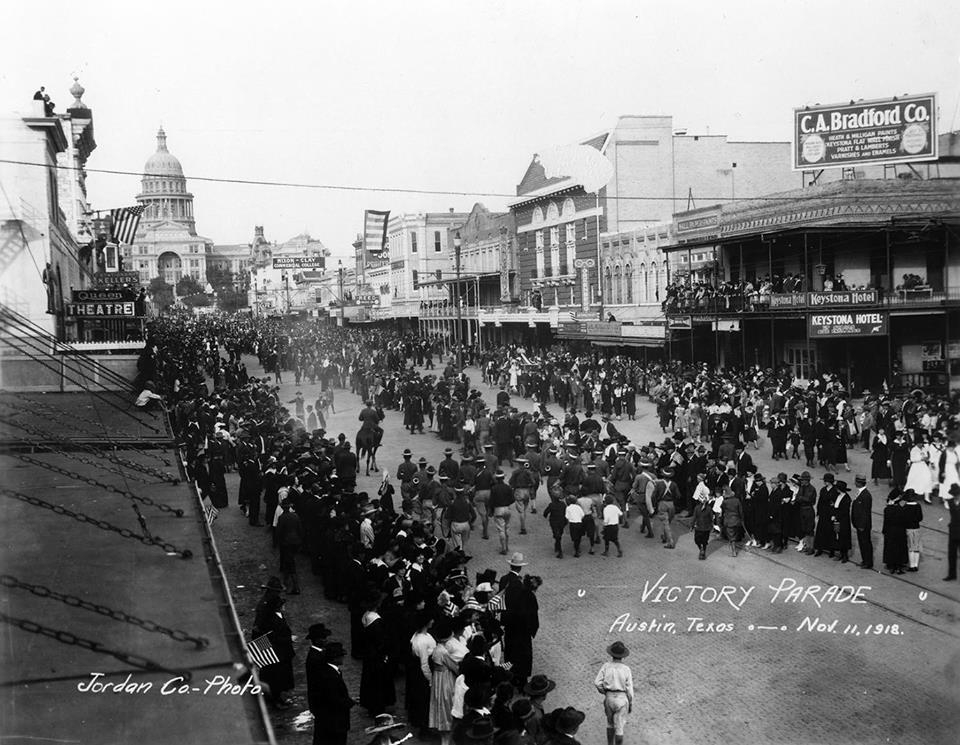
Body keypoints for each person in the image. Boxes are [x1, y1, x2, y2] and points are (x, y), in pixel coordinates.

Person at [310, 640, 355, 745]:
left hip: (327, 720)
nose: (343, 658)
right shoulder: (331, 676)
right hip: (334, 722)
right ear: (335, 658)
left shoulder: (327, 671)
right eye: (341, 656)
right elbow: (334, 699)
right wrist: (350, 702)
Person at [595, 641, 633, 745]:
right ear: (623, 656)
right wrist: (630, 702)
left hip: (609, 698)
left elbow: (597, 683)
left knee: (610, 723)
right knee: (619, 727)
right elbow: (629, 689)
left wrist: (605, 692)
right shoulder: (626, 669)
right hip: (622, 698)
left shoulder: (606, 666)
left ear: (611, 654)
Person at [882, 490, 908, 574]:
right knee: (900, 548)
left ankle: (891, 565)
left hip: (890, 531)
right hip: (900, 531)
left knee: (890, 548)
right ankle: (899, 565)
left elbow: (886, 522)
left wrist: (884, 531)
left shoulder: (887, 509)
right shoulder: (902, 509)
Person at [851, 475, 874, 569]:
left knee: (865, 543)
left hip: (863, 525)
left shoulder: (866, 495)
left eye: (856, 482)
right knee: (862, 543)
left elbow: (865, 512)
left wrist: (862, 525)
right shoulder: (861, 493)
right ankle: (865, 560)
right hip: (859, 524)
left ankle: (868, 562)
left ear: (859, 483)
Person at [901, 489, 924, 572]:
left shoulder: (905, 507)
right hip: (916, 528)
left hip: (908, 529)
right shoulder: (918, 506)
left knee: (910, 548)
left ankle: (911, 565)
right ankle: (916, 565)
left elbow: (903, 518)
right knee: (916, 547)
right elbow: (920, 518)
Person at [831, 480, 853, 563]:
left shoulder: (847, 499)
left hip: (843, 520)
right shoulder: (838, 495)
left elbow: (844, 511)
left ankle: (845, 555)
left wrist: (836, 516)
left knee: (844, 537)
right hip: (837, 519)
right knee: (838, 536)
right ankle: (840, 552)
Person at [720, 485, 743, 557]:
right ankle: (733, 547)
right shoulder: (737, 500)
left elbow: (723, 510)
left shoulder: (725, 502)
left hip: (729, 521)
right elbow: (741, 511)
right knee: (734, 534)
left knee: (731, 536)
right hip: (737, 520)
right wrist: (742, 519)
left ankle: (733, 551)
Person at [944, 483, 960, 581]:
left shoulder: (951, 502)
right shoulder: (950, 502)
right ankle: (952, 574)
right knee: (951, 554)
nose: (956, 496)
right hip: (953, 530)